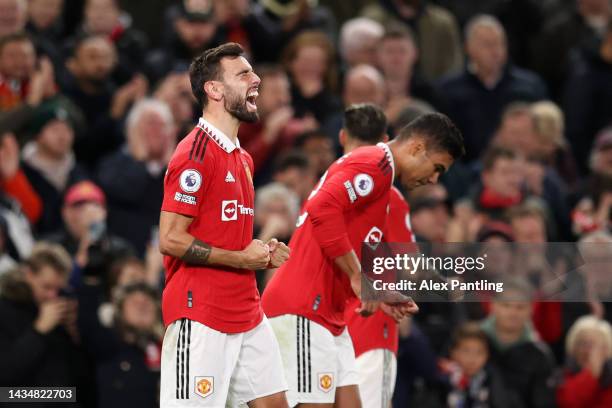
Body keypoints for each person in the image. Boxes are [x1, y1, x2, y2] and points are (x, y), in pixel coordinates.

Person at [262, 108, 464, 407]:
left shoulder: (380, 182)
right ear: (417, 148)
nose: (434, 179)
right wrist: (359, 275)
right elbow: (322, 209)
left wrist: (375, 290)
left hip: (328, 313)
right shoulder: (375, 165)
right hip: (305, 307)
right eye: (437, 168)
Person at [158, 42, 290, 407]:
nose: (256, 79)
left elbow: (227, 236)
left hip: (246, 309)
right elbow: (170, 240)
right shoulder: (194, 154)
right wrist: (241, 259)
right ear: (213, 90)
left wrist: (261, 253)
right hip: (200, 312)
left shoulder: (242, 157)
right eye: (243, 74)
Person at [337, 104, 417, 408]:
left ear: (343, 136)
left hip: (324, 329)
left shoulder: (326, 191)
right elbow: (410, 265)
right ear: (385, 139)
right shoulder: (389, 197)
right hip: (370, 331)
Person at [438, 15, 547, 162]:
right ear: (468, 48)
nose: (495, 51)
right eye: (487, 45)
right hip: (468, 172)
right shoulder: (448, 91)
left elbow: (544, 136)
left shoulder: (530, 87)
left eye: (500, 43)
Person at [0, 243, 88, 397]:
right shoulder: (5, 309)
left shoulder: (60, 308)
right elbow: (6, 378)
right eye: (46, 287)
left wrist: (74, 334)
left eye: (58, 289)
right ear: (28, 274)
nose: (52, 295)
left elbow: (75, 380)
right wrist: (38, 331)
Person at [97, 98, 176, 256]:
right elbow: (130, 193)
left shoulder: (183, 169)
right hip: (126, 253)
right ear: (132, 130)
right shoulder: (112, 165)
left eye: (163, 126)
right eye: (151, 124)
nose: (158, 131)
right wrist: (139, 159)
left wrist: (172, 165)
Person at [481, 278, 557, 408]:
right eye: (506, 305)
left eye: (520, 307)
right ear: (493, 305)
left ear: (531, 309)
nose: (513, 313)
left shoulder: (539, 355)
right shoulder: (472, 341)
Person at [557, 315, 612, 408]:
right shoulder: (562, 376)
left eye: (593, 345)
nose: (587, 351)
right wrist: (591, 374)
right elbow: (568, 403)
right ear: (573, 348)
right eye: (582, 343)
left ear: (607, 349)